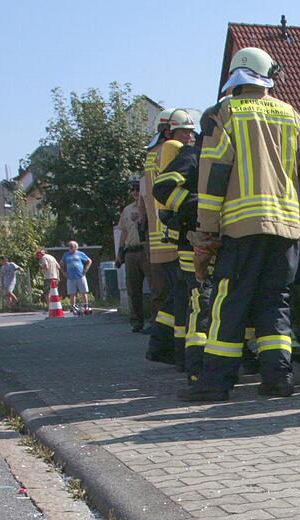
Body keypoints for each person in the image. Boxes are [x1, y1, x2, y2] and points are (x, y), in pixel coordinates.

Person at [178, 47, 300, 402]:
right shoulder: (294, 117)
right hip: (286, 232)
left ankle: (216, 383)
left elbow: (213, 175)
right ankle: (278, 379)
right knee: (277, 303)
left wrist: (206, 228)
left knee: (230, 302)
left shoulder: (225, 114)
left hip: (241, 230)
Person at [153, 109, 205, 382]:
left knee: (182, 298)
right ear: (169, 132)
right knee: (194, 298)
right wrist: (193, 207)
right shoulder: (175, 150)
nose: (189, 136)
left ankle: (172, 351)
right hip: (189, 237)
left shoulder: (160, 152)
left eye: (191, 131)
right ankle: (190, 360)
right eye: (185, 131)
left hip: (175, 237)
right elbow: (164, 191)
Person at [141, 108, 178, 362]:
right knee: (180, 296)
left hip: (156, 239)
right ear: (169, 131)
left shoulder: (149, 157)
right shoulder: (171, 152)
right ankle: (171, 349)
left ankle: (159, 345)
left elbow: (144, 199)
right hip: (174, 235)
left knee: (166, 296)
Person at [116, 179, 150, 332]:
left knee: (155, 287)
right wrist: (120, 252)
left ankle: (157, 322)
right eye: (133, 190)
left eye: (138, 189)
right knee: (133, 290)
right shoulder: (127, 210)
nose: (135, 192)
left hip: (145, 250)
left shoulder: (148, 205)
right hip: (131, 251)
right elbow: (123, 231)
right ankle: (137, 322)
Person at [60, 241, 92, 314]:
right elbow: (61, 264)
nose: (70, 247)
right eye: (69, 246)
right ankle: (73, 307)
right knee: (72, 293)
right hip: (71, 277)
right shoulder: (66, 255)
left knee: (83, 292)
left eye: (72, 246)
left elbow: (89, 261)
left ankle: (85, 306)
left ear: (75, 247)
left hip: (80, 276)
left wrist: (86, 269)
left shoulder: (80, 254)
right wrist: (64, 272)